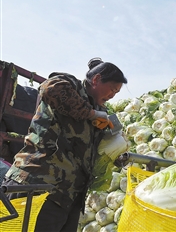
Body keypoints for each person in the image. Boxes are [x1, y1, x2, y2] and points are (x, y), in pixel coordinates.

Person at [2, 58, 127, 232]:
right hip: (38, 185)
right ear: (97, 79)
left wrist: (116, 151)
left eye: (117, 92)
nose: (113, 95)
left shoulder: (102, 114)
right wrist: (91, 114)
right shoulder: (70, 86)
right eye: (113, 89)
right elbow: (50, 88)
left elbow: (95, 152)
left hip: (68, 196)